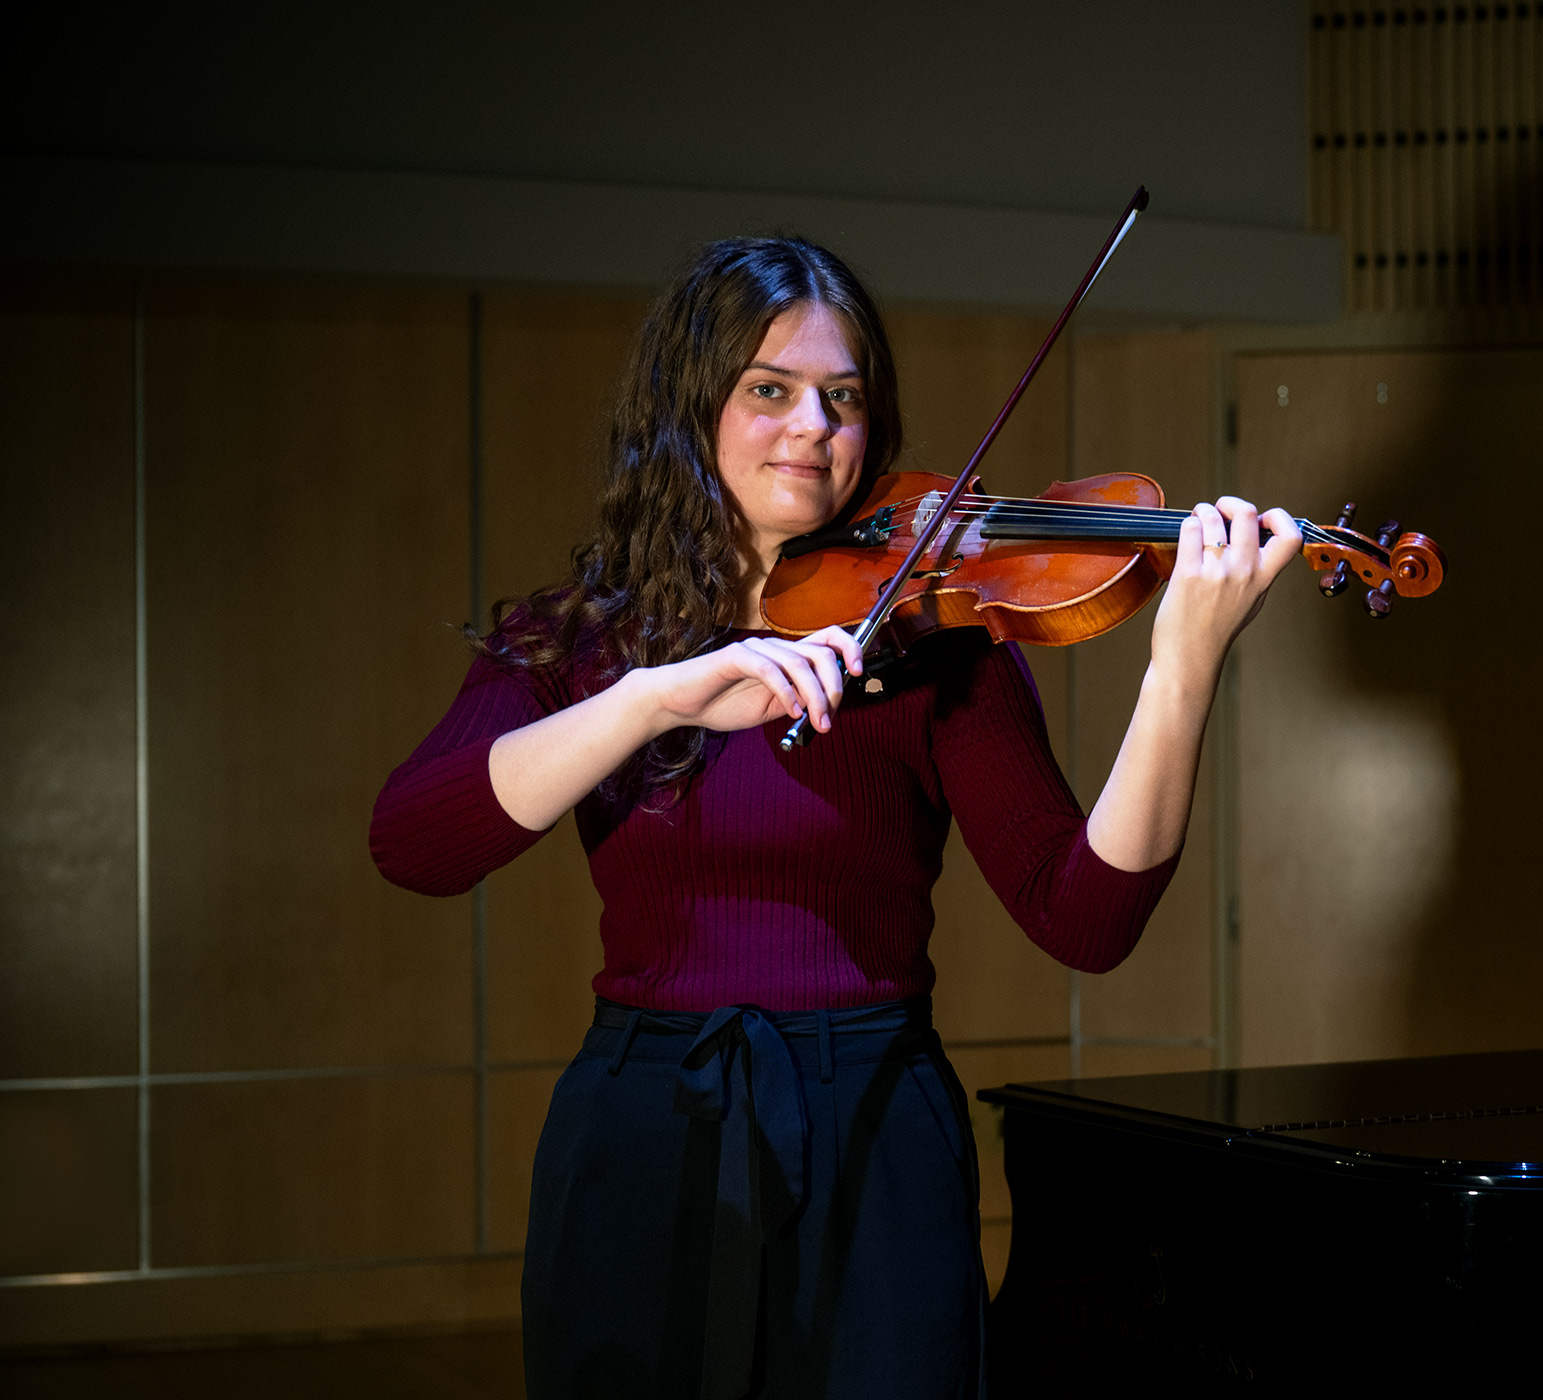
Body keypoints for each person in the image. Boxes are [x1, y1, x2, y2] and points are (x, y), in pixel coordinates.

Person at [370, 235, 1301, 1400]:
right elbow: (413, 841)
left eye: (844, 397)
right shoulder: (580, 641)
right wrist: (652, 698)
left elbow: (1087, 918)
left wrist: (1183, 667)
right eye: (771, 389)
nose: (815, 424)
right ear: (688, 403)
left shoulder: (932, 636)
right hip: (647, 1118)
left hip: (873, 1121)